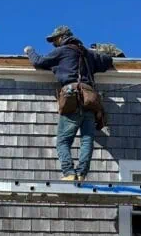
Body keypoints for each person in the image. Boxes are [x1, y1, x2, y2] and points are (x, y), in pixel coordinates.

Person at [25, 26, 115, 180]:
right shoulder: (88, 53)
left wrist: (29, 51)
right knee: (87, 139)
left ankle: (69, 173)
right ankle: (81, 174)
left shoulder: (62, 51)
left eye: (55, 40)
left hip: (71, 97)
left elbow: (39, 62)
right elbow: (107, 61)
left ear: (62, 37)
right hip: (89, 99)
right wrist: (98, 50)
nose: (54, 44)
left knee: (63, 141)